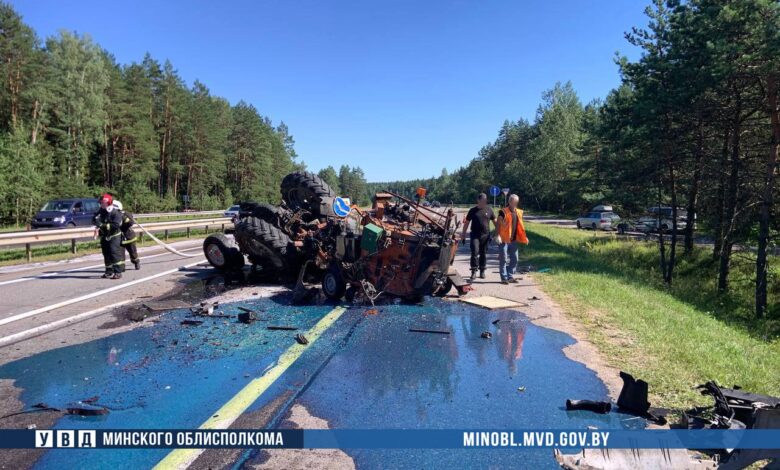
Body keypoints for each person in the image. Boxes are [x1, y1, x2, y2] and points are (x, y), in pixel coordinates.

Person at [495, 194, 528, 284]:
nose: (514, 204)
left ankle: (510, 276)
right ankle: (504, 278)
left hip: (513, 240)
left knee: (515, 259)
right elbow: (498, 224)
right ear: (509, 202)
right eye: (513, 202)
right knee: (503, 259)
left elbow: (520, 226)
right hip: (503, 240)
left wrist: (524, 237)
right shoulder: (503, 212)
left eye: (516, 202)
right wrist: (497, 235)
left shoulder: (518, 212)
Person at [461, 193, 495, 279]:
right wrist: (463, 234)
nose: (484, 202)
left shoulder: (489, 210)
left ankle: (482, 271)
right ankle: (473, 271)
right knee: (475, 252)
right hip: (475, 235)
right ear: (478, 200)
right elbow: (467, 223)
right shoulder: (472, 210)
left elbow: (495, 222)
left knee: (483, 253)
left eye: (485, 201)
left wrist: (498, 233)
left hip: (485, 235)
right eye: (483, 201)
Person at [93, 193, 125, 279]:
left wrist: (102, 225)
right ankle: (109, 271)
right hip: (104, 236)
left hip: (114, 236)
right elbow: (94, 219)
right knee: (106, 254)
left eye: (102, 203)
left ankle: (118, 272)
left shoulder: (116, 213)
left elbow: (116, 225)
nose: (101, 204)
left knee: (114, 253)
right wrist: (96, 220)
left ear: (107, 203)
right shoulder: (101, 211)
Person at [113, 200, 140, 270]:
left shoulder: (125, 214)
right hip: (119, 238)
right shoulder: (112, 215)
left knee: (133, 253)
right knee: (120, 255)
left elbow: (131, 223)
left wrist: (123, 218)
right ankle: (121, 267)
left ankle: (136, 262)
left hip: (129, 237)